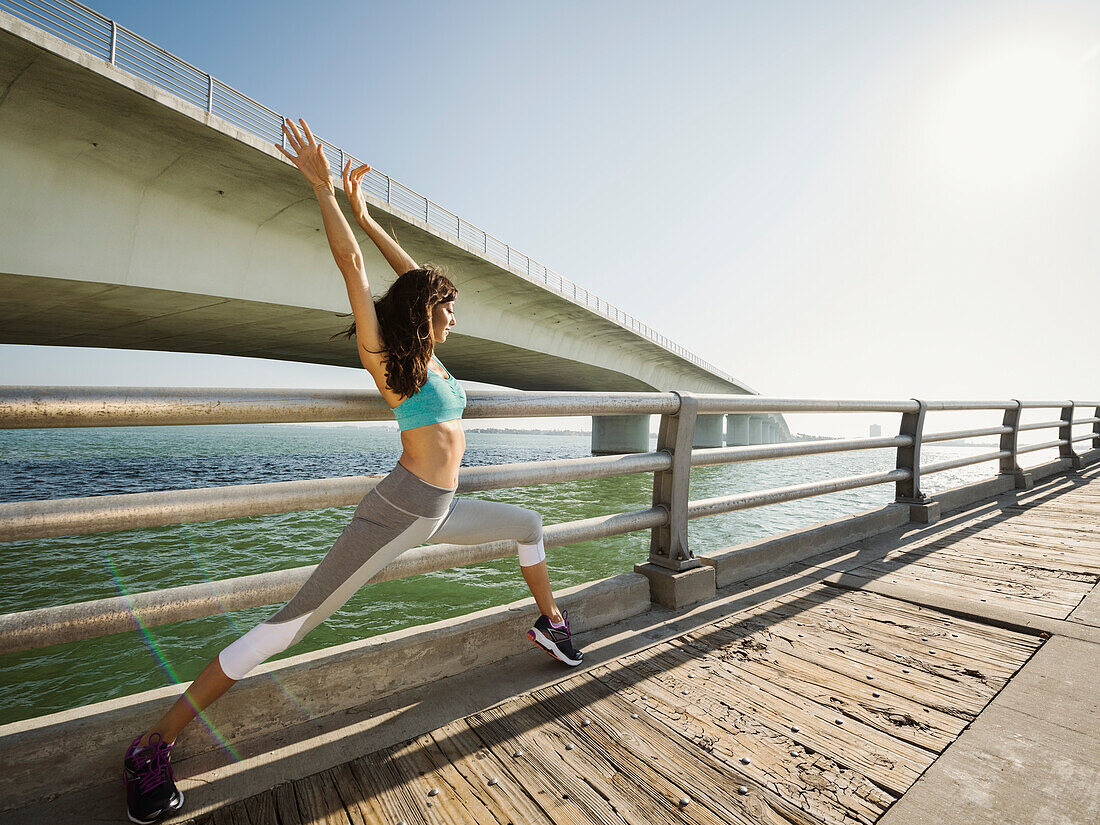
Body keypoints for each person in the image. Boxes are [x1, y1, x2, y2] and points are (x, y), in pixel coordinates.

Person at [121, 117, 582, 825]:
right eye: (448, 309)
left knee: (528, 525)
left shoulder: (434, 356)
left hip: (444, 507)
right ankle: (154, 743)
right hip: (399, 510)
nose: (455, 318)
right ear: (427, 315)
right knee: (285, 629)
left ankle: (551, 622)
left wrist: (370, 215)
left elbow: (407, 276)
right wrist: (324, 193)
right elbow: (355, 271)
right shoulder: (388, 358)